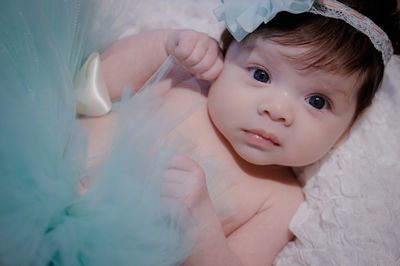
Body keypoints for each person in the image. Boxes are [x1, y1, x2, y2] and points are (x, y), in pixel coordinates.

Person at [78, 0, 400, 265]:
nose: (277, 110)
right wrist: (163, 47)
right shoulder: (190, 80)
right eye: (260, 74)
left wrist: (202, 227)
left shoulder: (280, 199)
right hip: (52, 169)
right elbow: (95, 86)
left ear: (344, 132)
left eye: (317, 101)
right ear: (225, 53)